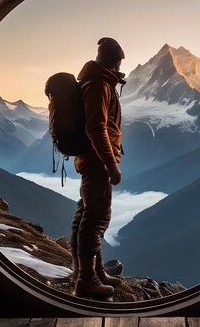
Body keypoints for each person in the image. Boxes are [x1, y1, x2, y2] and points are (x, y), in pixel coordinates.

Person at [70, 37, 126, 299]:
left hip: (95, 160)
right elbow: (96, 128)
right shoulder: (99, 86)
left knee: (89, 213)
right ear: (115, 60)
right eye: (119, 61)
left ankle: (96, 271)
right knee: (96, 217)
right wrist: (111, 164)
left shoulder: (97, 82)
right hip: (97, 162)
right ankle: (86, 279)